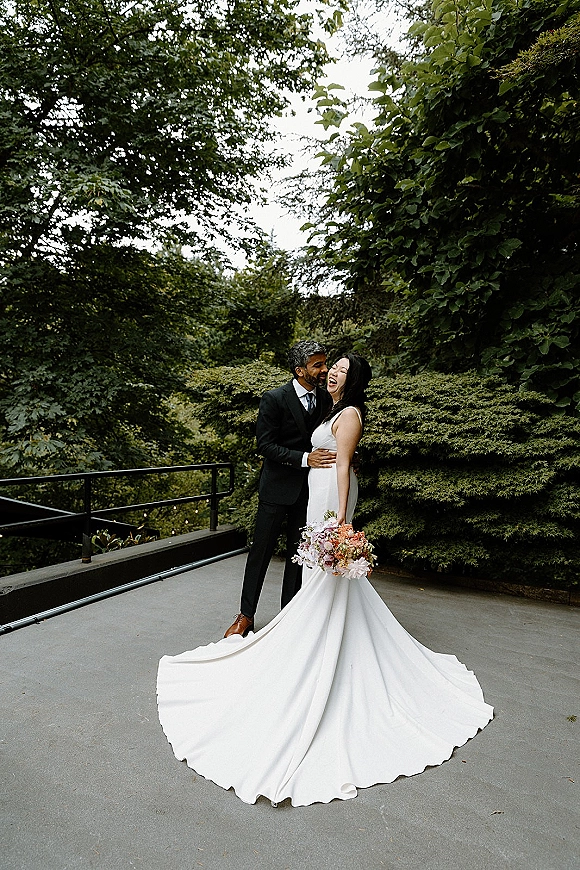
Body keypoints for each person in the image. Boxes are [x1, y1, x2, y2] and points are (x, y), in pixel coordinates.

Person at [157, 353, 494, 807]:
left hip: (327, 501)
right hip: (297, 491)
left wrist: (341, 522)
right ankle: (257, 617)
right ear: (303, 370)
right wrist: (309, 467)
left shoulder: (347, 412)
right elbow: (270, 444)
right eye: (326, 366)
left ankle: (315, 636)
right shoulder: (312, 404)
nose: (330, 372)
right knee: (288, 563)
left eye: (339, 369)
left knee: (319, 570)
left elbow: (342, 465)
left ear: (352, 381)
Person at [223, 340, 334, 639]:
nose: (324, 369)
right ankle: (246, 616)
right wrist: (304, 459)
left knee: (299, 556)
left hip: (309, 492)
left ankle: (290, 614)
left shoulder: (326, 400)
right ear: (300, 371)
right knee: (260, 554)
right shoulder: (274, 398)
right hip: (275, 489)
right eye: (318, 365)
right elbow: (266, 445)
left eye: (325, 363)